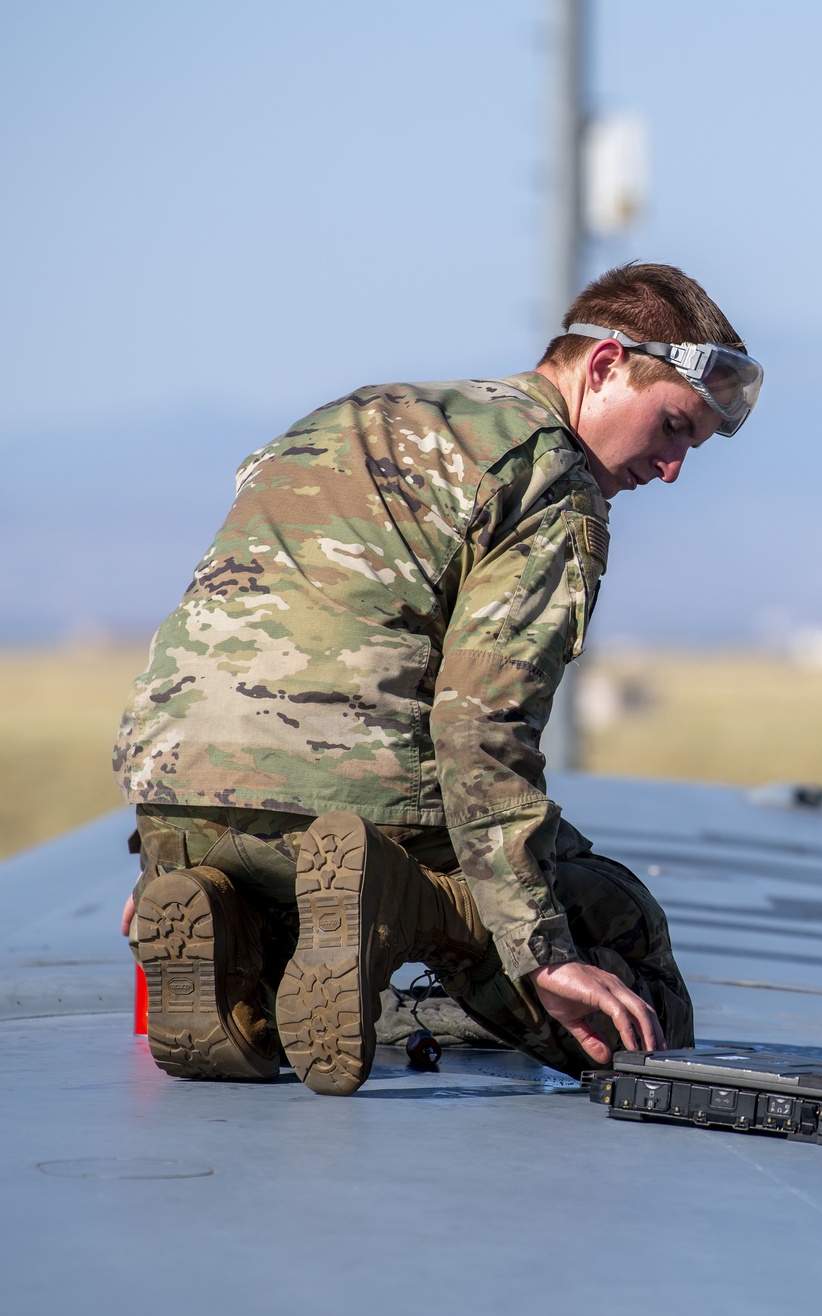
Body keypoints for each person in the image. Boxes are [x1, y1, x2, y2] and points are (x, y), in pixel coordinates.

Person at [113, 262, 762, 1095]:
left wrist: (156, 860)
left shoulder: (339, 418)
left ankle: (221, 915)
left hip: (178, 807)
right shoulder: (547, 478)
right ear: (602, 366)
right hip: (360, 812)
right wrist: (542, 951)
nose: (672, 468)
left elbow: (212, 641)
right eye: (673, 426)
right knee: (633, 969)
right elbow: (481, 727)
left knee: (291, 989)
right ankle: (415, 906)